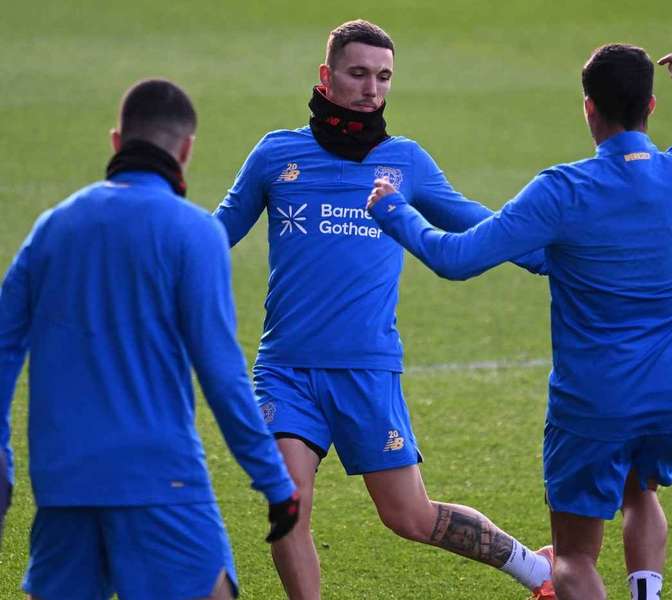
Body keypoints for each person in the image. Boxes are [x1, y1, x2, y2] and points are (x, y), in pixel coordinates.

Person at [367, 46, 672, 600]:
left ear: (589, 109)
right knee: (640, 490)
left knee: (574, 556)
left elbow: (456, 259)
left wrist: (395, 211)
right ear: (651, 104)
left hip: (596, 404)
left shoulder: (563, 191)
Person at [215, 19, 554, 600]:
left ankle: (536, 571)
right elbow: (214, 233)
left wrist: (554, 259)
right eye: (358, 73)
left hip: (367, 370)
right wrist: (150, 245)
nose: (372, 88)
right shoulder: (277, 154)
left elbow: (477, 224)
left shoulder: (406, 162)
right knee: (286, 506)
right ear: (327, 76)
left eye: (383, 76)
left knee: (409, 518)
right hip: (286, 369)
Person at [0, 79, 301, 600]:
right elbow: (222, 372)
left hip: (63, 482)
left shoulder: (52, 228)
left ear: (117, 141)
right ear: (186, 149)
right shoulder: (193, 232)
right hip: (162, 481)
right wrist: (275, 483)